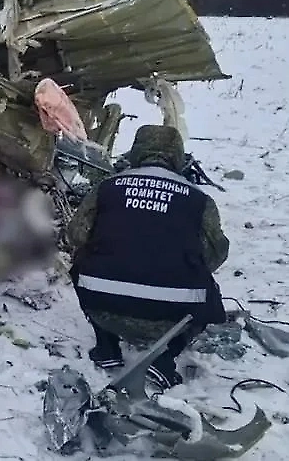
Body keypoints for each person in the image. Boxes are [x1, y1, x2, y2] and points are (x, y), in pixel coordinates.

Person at [66, 125, 230, 389]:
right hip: (171, 317)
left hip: (102, 306)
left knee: (82, 264)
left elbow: (76, 235)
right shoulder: (199, 200)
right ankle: (165, 359)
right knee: (208, 290)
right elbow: (216, 254)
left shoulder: (107, 188)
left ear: (136, 152)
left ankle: (106, 346)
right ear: (178, 156)